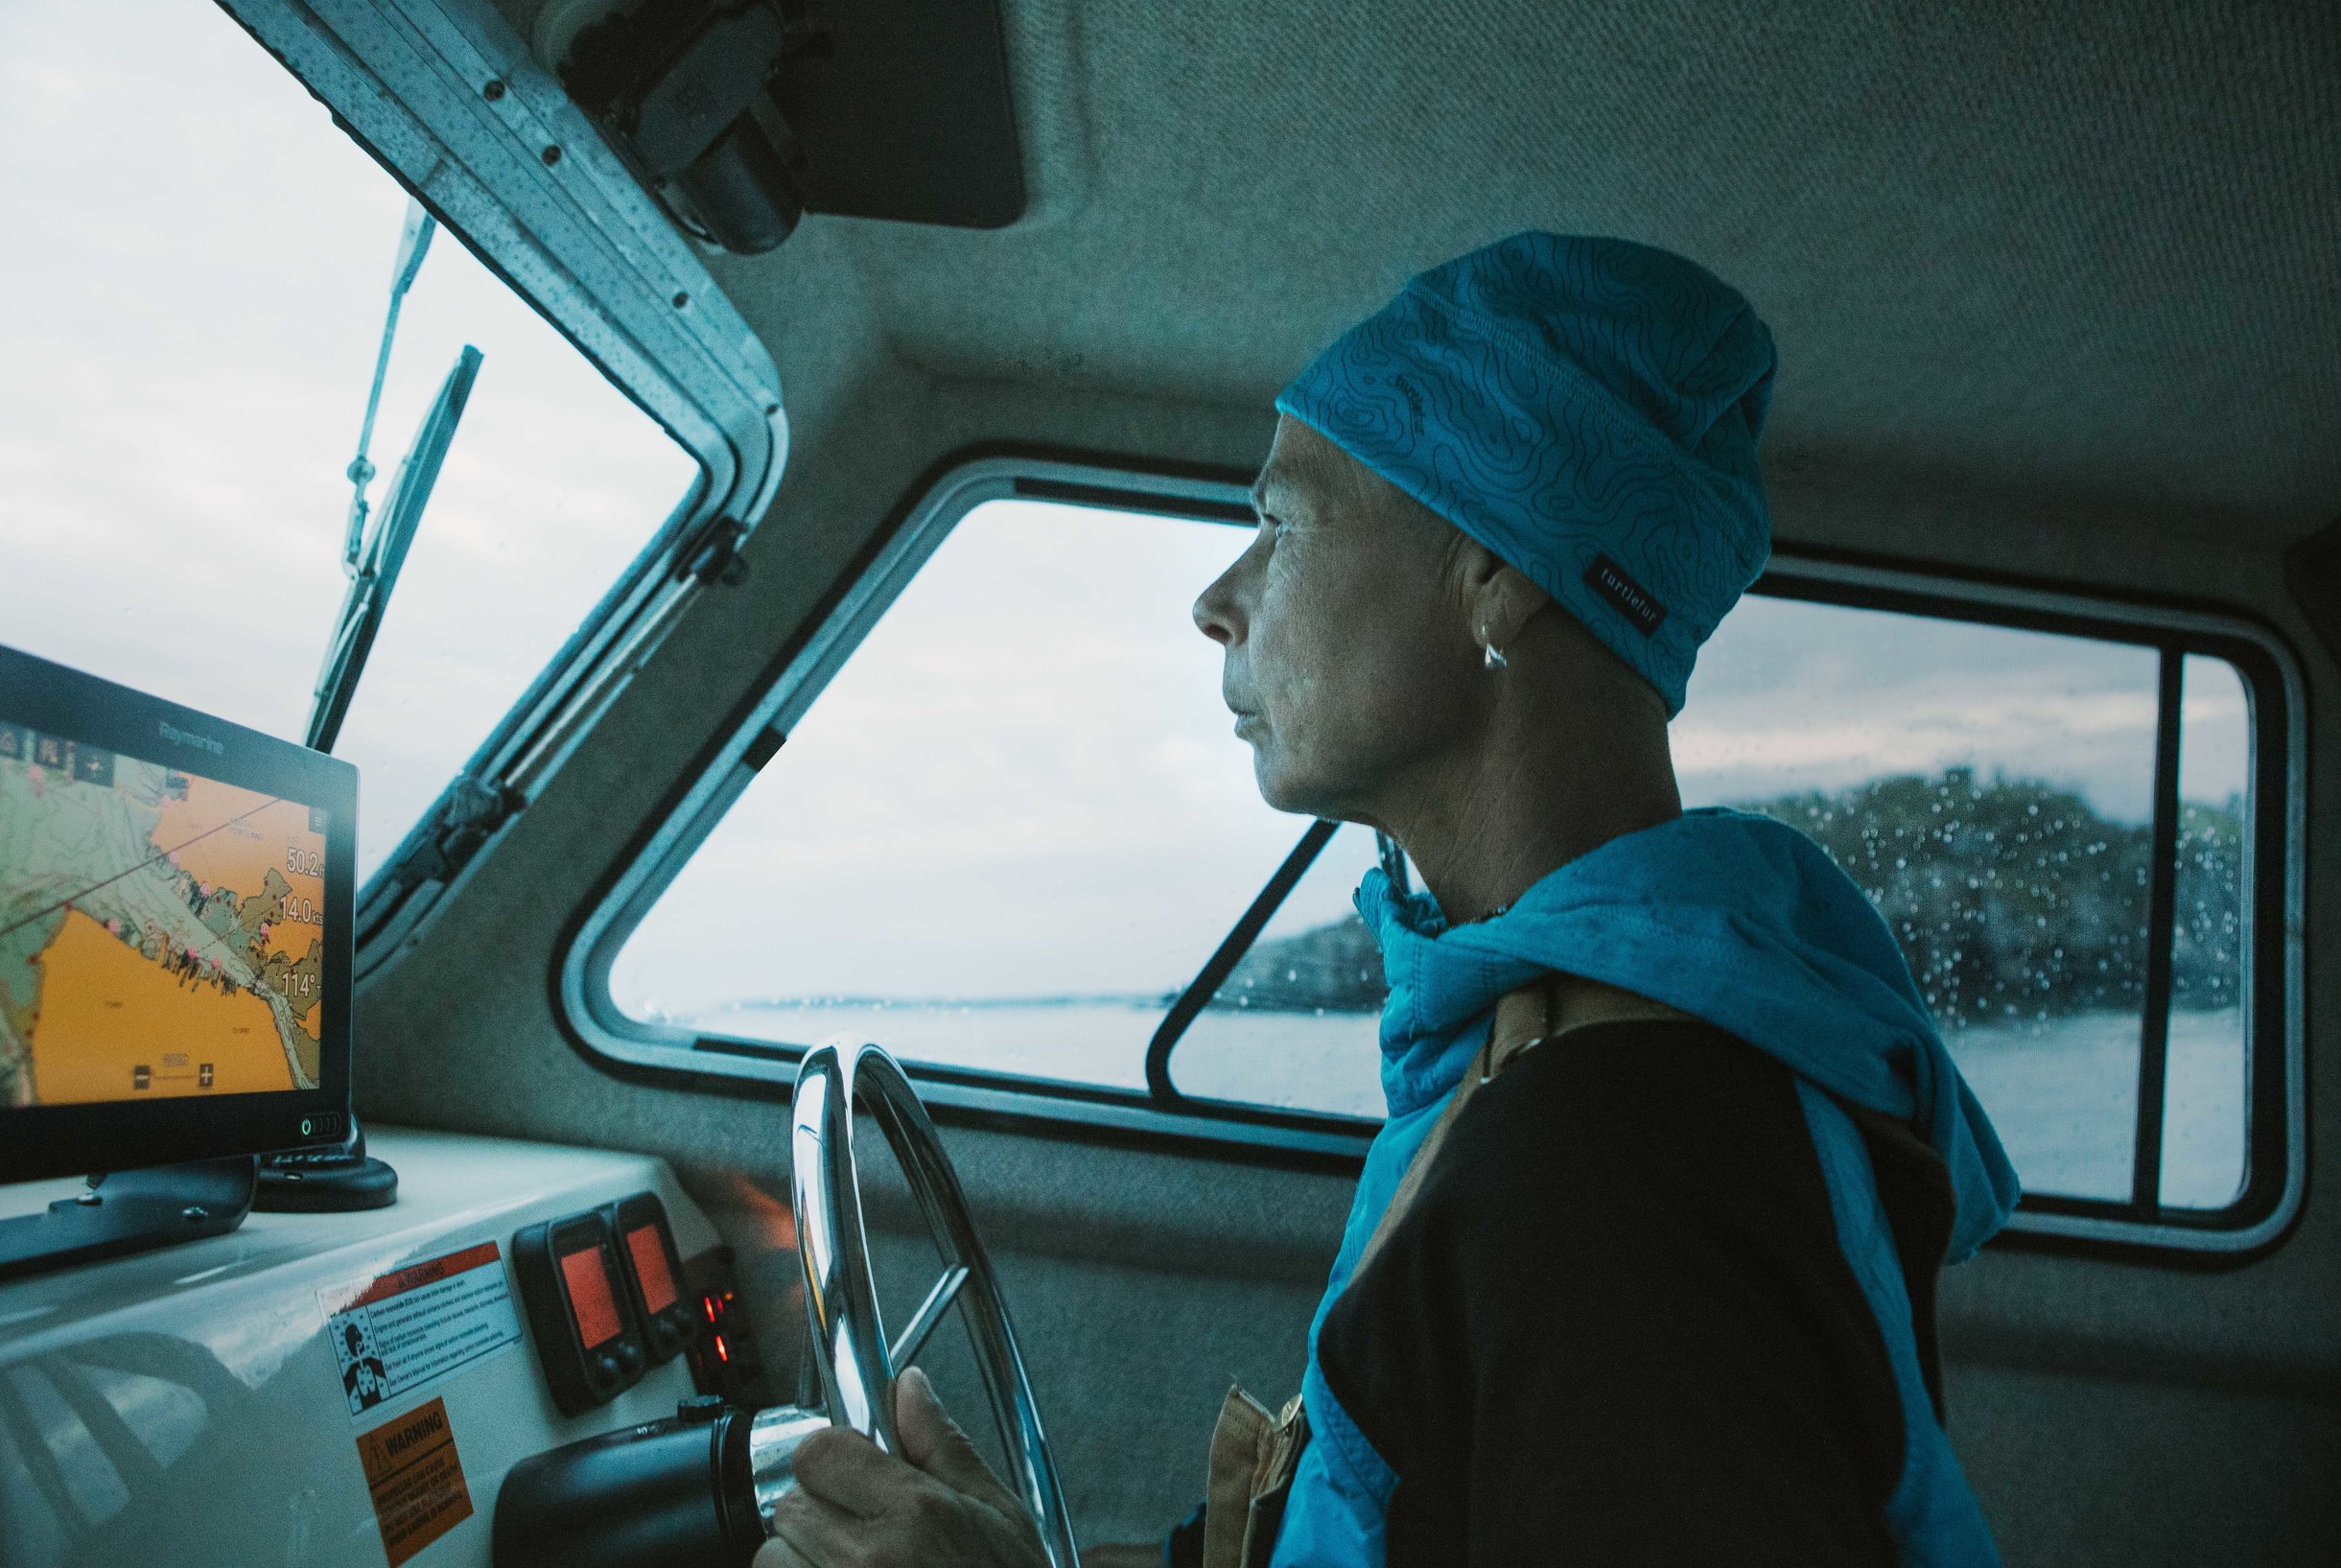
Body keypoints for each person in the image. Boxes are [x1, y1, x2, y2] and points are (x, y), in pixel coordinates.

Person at [750, 231, 2021, 1568]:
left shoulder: (1615, 1166)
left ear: (1494, 569)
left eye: (1282, 520)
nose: (1214, 601)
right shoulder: (1557, 1045)